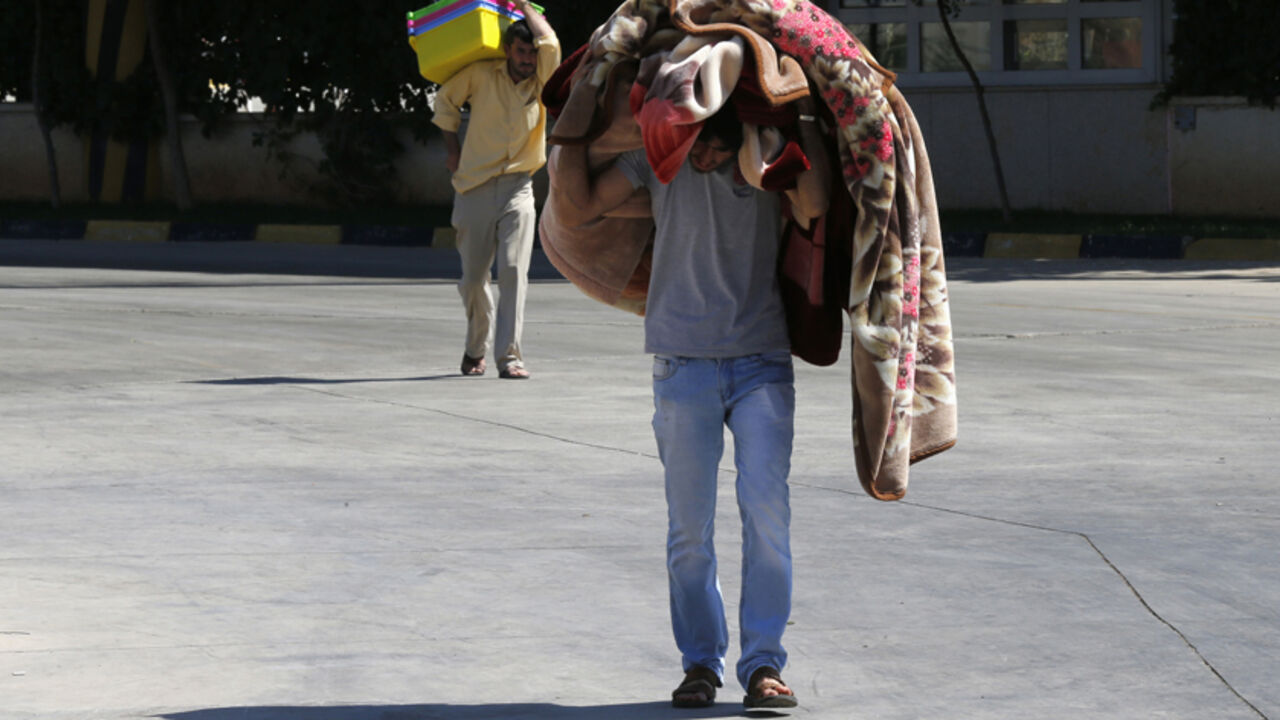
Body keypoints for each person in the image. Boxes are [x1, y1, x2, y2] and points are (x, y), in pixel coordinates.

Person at [556, 101, 830, 710]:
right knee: (688, 532)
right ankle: (701, 663)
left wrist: (798, 118)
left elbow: (813, 205)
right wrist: (572, 118)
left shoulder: (767, 162)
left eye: (714, 147)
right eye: (695, 144)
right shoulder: (658, 156)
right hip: (681, 365)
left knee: (768, 516)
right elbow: (578, 205)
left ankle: (763, 665)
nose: (700, 158)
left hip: (761, 360)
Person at [432, 2, 560, 379]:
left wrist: (522, 6)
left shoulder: (542, 82)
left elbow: (550, 43)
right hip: (474, 186)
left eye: (531, 54)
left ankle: (509, 357)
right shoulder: (480, 75)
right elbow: (445, 102)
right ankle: (476, 348)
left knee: (515, 271)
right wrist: (452, 150)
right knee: (473, 280)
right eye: (521, 52)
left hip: (519, 187)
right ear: (508, 50)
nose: (527, 60)